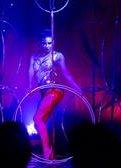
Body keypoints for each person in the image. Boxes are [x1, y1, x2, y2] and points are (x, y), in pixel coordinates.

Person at [28, 29, 82, 159]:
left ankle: (47, 152)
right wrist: (29, 87)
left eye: (49, 43)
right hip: (43, 92)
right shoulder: (34, 56)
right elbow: (30, 72)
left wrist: (77, 89)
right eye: (44, 43)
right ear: (39, 43)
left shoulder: (57, 56)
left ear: (54, 43)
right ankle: (50, 154)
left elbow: (66, 73)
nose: (47, 46)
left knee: (37, 118)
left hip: (55, 91)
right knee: (38, 123)